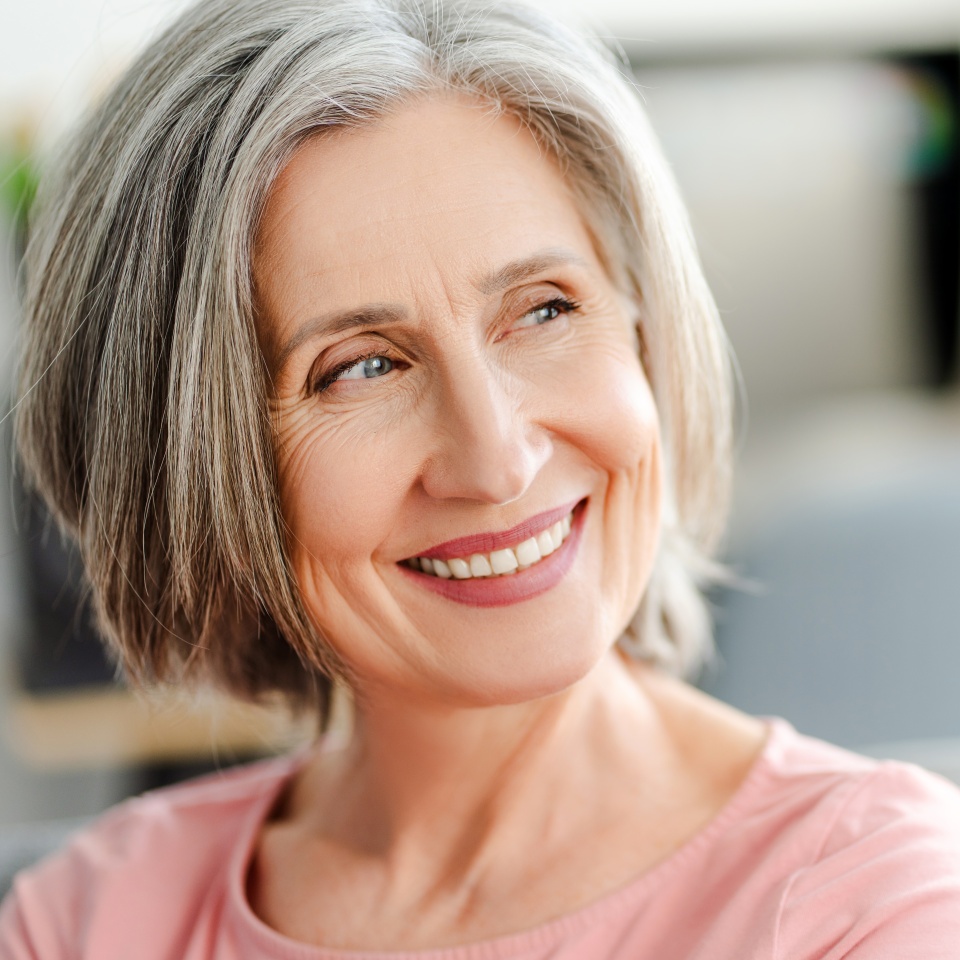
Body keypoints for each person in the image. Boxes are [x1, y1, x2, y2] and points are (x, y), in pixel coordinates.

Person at [2, 0, 959, 956]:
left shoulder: (878, 903)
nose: (498, 460)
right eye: (362, 367)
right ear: (191, 465)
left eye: (544, 310)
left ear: (642, 330)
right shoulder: (85, 922)